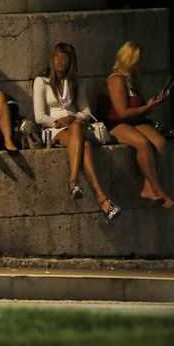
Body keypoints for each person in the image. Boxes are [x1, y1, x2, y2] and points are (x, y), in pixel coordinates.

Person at [33, 43, 120, 223]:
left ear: (70, 62)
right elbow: (39, 116)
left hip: (74, 128)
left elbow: (87, 111)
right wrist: (61, 121)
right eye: (57, 57)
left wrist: (72, 117)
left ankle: (78, 185)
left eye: (64, 58)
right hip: (52, 129)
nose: (60, 62)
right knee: (81, 140)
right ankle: (100, 197)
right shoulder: (41, 81)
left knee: (80, 136)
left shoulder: (75, 82)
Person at [101, 41, 174, 209]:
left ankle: (148, 186)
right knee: (142, 143)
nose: (142, 64)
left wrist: (151, 105)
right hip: (115, 123)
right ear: (130, 60)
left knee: (160, 142)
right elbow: (122, 113)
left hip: (135, 121)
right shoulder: (116, 79)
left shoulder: (132, 81)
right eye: (139, 60)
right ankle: (158, 188)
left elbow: (137, 110)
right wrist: (148, 107)